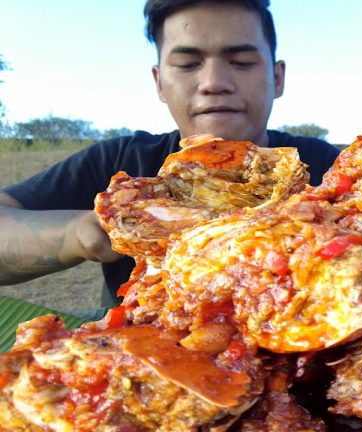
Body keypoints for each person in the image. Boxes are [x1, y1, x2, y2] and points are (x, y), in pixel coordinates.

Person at [0, 0, 340, 307]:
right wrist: (81, 231)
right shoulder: (122, 168)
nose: (214, 82)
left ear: (277, 77)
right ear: (159, 81)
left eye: (241, 61)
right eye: (189, 64)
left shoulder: (333, 171)